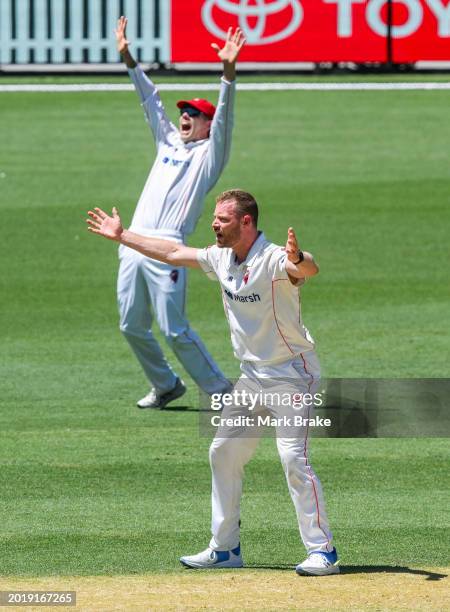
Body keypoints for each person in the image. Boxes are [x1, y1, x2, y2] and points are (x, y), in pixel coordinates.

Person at [87, 189, 339, 576]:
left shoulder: (274, 258)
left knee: (293, 458)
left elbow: (308, 269)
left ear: (246, 222)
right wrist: (123, 236)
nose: (214, 224)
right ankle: (224, 548)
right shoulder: (221, 258)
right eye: (215, 218)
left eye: (222, 219)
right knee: (223, 452)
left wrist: (298, 257)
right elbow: (172, 253)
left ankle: (323, 551)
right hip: (252, 376)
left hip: (292, 374)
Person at [114, 16, 246, 408]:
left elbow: (226, 120)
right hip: (132, 240)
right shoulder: (168, 141)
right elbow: (149, 100)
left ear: (207, 126)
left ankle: (222, 392)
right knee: (131, 325)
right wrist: (128, 58)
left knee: (174, 329)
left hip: (168, 246)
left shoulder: (210, 156)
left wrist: (228, 71)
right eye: (184, 112)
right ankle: (166, 385)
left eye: (195, 114)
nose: (186, 117)